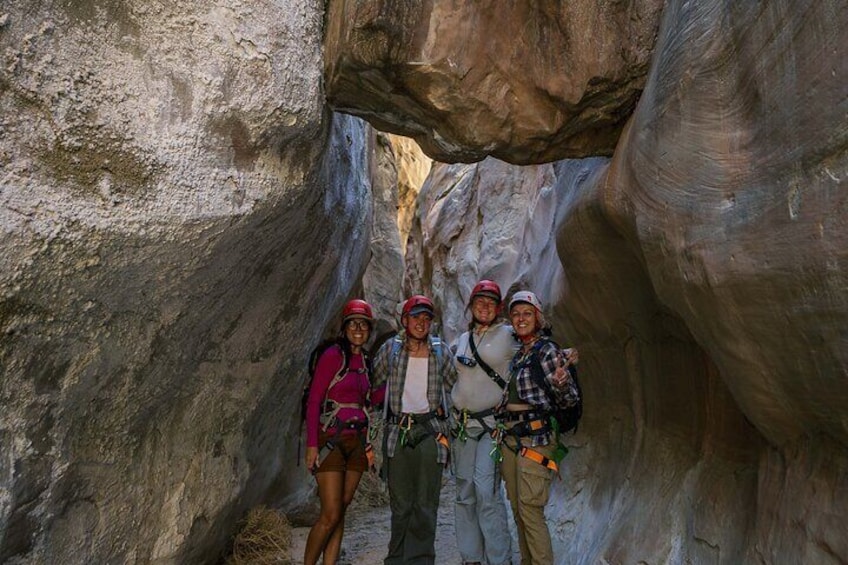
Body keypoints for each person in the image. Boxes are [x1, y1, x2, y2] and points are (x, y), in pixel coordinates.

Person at [371, 294, 457, 565]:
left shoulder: (441, 351)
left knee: (426, 503)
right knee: (400, 504)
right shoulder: (390, 350)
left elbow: (458, 386)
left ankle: (421, 559)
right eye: (416, 317)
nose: (421, 323)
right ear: (404, 320)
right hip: (397, 432)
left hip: (430, 432)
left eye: (426, 318)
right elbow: (371, 380)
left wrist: (448, 428)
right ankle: (396, 559)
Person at [499, 290, 579, 565]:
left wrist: (561, 382)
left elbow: (569, 400)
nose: (521, 319)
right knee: (520, 512)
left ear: (538, 317)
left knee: (531, 512)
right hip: (512, 439)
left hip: (536, 439)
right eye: (516, 314)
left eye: (527, 313)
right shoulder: (520, 355)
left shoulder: (547, 350)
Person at [303, 299, 377, 565]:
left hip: (356, 441)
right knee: (331, 513)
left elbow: (368, 400)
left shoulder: (366, 361)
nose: (358, 328)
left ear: (369, 329)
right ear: (345, 328)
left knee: (342, 509)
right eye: (353, 323)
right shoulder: (333, 355)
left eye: (363, 324)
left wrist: (398, 385)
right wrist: (312, 445)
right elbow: (314, 401)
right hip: (331, 439)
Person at [449, 280, 515, 565]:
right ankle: (472, 558)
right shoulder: (463, 340)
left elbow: (536, 347)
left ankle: (499, 559)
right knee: (465, 492)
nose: (484, 306)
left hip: (490, 426)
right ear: (471, 306)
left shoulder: (508, 335)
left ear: (499, 307)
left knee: (486, 491)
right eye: (480, 301)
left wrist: (566, 356)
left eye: (491, 302)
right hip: (463, 426)